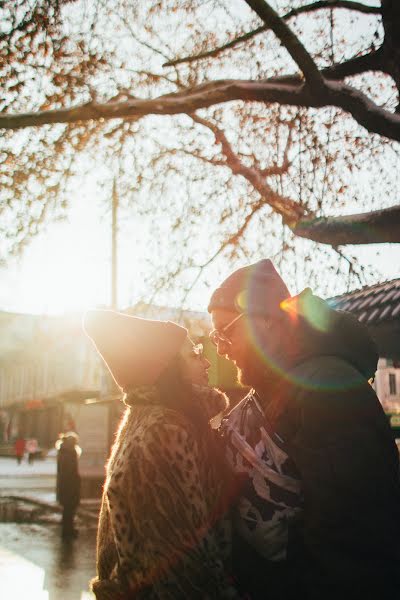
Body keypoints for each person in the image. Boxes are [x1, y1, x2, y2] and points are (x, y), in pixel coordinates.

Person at [208, 259, 400, 600]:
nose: (220, 348)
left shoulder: (328, 388)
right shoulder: (275, 388)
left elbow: (350, 537)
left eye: (227, 331)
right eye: (214, 337)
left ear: (265, 320)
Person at [83, 309, 241, 600]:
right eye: (194, 354)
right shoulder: (162, 433)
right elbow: (184, 566)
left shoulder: (149, 421)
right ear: (167, 369)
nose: (206, 362)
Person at [56, 431, 81, 540]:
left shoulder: (64, 452)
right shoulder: (69, 453)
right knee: (69, 509)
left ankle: (68, 530)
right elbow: (70, 472)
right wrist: (76, 482)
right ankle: (68, 531)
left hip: (65, 485)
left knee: (68, 509)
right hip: (69, 486)